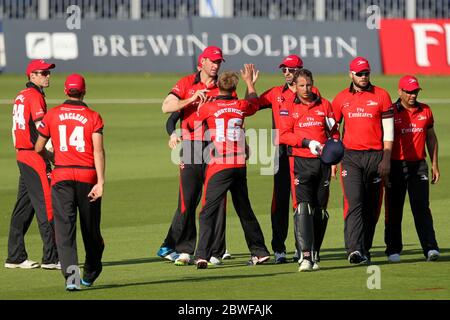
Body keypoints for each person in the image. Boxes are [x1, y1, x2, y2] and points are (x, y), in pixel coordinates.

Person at [157, 46, 230, 266]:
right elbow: (166, 108)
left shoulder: (223, 85)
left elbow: (232, 112)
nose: (217, 65)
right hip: (190, 146)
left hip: (216, 146)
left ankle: (216, 250)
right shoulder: (187, 83)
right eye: (213, 61)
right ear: (203, 62)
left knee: (216, 199)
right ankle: (185, 249)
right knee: (187, 199)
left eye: (219, 62)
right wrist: (191, 100)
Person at [195, 65, 270, 269]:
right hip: (239, 165)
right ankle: (260, 252)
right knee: (244, 208)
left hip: (219, 166)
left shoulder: (208, 107)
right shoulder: (241, 105)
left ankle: (202, 254)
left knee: (207, 211)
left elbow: (197, 123)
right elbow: (253, 102)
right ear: (234, 88)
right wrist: (250, 83)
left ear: (217, 85)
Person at [35, 74, 105, 291]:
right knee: (91, 230)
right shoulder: (93, 116)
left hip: (62, 177)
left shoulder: (53, 115)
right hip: (88, 177)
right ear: (84, 91)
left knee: (65, 230)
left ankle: (71, 278)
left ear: (66, 91)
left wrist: (50, 157)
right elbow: (98, 151)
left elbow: (38, 147)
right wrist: (101, 182)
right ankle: (91, 271)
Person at [253, 55, 323, 263]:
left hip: (306, 154)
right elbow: (252, 106)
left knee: (303, 202)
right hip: (282, 153)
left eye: (291, 69)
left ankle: (302, 248)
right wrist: (250, 84)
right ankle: (279, 249)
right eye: (284, 69)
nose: (286, 73)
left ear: (300, 71)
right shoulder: (276, 93)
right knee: (280, 200)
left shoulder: (312, 93)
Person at [332, 57, 394, 264]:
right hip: (350, 157)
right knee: (354, 201)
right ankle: (354, 250)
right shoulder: (341, 99)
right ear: (351, 74)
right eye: (359, 74)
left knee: (371, 206)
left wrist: (386, 158)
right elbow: (333, 131)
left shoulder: (382, 95)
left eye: (366, 73)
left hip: (376, 156)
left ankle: (364, 248)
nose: (363, 77)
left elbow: (388, 132)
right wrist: (333, 158)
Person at [279, 69, 339, 271]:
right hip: (301, 162)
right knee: (303, 207)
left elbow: (334, 133)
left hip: (322, 163)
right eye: (301, 85)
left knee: (320, 210)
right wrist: (306, 142)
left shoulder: (325, 105)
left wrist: (333, 158)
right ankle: (305, 256)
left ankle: (315, 252)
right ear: (294, 86)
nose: (305, 89)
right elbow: (284, 135)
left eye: (308, 85)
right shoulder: (287, 107)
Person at [5, 59, 60, 270]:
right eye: (43, 73)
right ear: (32, 76)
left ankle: (15, 256)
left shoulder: (21, 95)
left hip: (22, 154)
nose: (47, 76)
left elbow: (15, 129)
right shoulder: (35, 96)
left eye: (48, 72)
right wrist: (50, 153)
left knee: (23, 208)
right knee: (46, 205)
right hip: (33, 156)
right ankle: (51, 257)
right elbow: (41, 127)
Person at [384, 75, 440, 262]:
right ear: (400, 92)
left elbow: (431, 137)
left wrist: (434, 164)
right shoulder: (390, 111)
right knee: (394, 209)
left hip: (419, 165)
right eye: (408, 92)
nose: (412, 95)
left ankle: (430, 248)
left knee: (421, 207)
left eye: (415, 91)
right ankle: (393, 249)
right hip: (395, 166)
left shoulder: (426, 110)